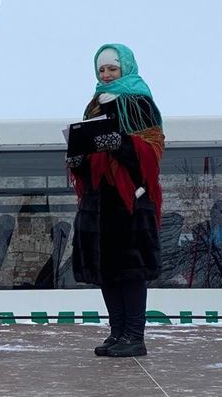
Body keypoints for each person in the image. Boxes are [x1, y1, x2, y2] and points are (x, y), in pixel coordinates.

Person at [67, 44, 165, 357]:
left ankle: (135, 336)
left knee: (131, 270)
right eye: (102, 70)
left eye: (112, 69)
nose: (106, 75)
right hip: (99, 200)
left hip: (130, 200)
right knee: (106, 270)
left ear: (125, 68)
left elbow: (153, 150)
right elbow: (88, 155)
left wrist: (120, 143)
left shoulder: (140, 102)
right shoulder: (93, 105)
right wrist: (77, 158)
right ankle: (118, 332)